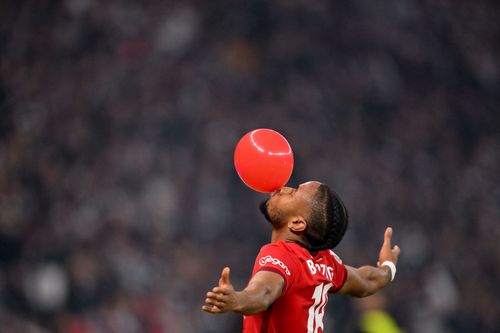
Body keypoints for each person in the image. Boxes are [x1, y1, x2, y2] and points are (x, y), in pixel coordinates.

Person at [202, 181, 400, 333]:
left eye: (294, 192)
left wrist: (237, 300)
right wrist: (388, 268)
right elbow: (367, 281)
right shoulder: (326, 262)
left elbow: (265, 292)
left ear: (297, 223)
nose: (285, 188)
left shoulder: (281, 255)